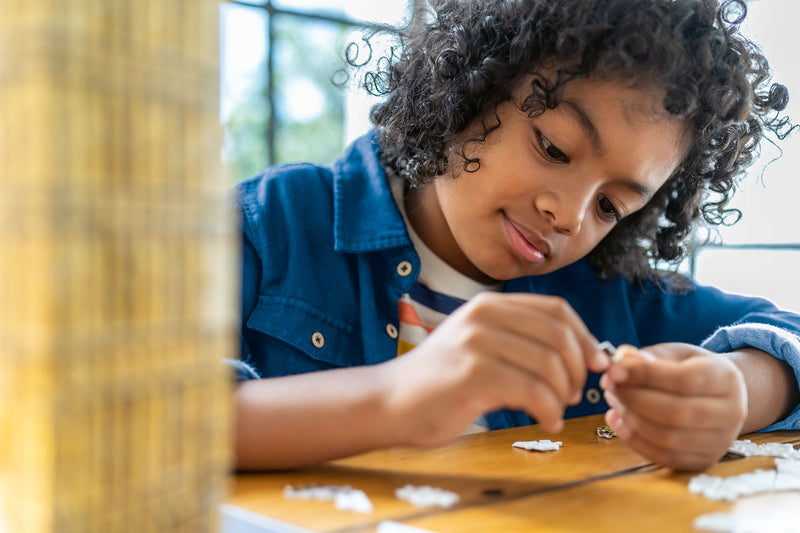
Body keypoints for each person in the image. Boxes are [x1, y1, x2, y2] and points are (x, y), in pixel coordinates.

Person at [232, 0, 800, 472]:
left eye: (611, 205)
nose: (571, 217)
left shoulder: (602, 293)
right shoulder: (269, 227)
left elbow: (788, 337)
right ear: (471, 85)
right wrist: (393, 398)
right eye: (553, 148)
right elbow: (158, 420)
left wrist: (738, 388)